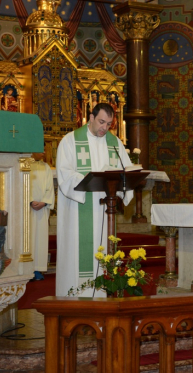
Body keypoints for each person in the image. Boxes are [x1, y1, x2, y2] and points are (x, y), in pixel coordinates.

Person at [56, 103, 133, 296]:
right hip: (79, 210)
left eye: (108, 124)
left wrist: (126, 181)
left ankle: (105, 296)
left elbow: (127, 170)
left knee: (106, 254)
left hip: (107, 212)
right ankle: (76, 299)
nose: (104, 128)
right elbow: (65, 173)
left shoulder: (114, 143)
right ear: (90, 118)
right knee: (78, 258)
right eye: (101, 122)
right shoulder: (70, 141)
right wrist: (90, 181)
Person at [30, 151, 55, 281]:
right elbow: (20, 184)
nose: (44, 152)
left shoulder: (45, 167)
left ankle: (37, 268)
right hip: (27, 208)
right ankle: (26, 269)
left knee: (40, 238)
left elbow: (50, 187)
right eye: (41, 149)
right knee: (28, 239)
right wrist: (30, 200)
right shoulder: (25, 164)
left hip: (42, 208)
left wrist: (44, 201)